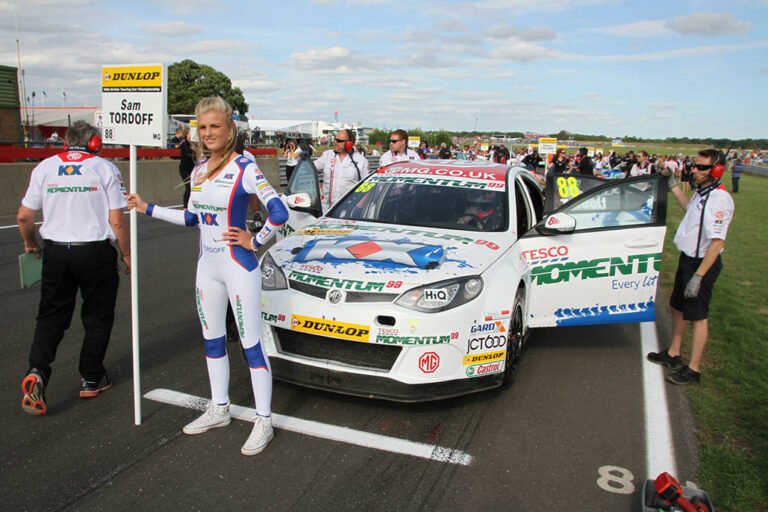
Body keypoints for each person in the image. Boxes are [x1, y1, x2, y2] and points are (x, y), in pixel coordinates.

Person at [127, 97, 289, 455]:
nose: (209, 133)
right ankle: (219, 407)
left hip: (238, 267)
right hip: (207, 268)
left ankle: (264, 419)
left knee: (250, 345)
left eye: (215, 126)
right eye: (203, 127)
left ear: (230, 129)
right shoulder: (199, 169)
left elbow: (279, 211)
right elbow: (191, 219)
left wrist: (256, 239)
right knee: (212, 340)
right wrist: (146, 208)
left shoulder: (245, 167)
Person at [17, 120, 131, 415]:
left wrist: (31, 245)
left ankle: (38, 371)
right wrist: (126, 253)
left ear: (67, 141)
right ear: (95, 143)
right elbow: (117, 219)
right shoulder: (105, 168)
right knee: (97, 316)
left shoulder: (44, 168)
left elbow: (24, 217)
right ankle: (91, 377)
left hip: (55, 252)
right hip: (94, 253)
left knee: (51, 316)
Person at [647, 149, 734, 385]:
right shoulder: (703, 193)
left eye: (701, 167)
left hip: (702, 263)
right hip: (688, 259)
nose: (694, 170)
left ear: (716, 171)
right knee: (678, 307)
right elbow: (690, 209)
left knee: (698, 317)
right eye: (695, 165)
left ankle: (694, 369)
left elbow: (717, 243)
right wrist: (673, 185)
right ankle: (674, 353)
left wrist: (698, 276)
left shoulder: (719, 199)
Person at [314, 129, 369, 212]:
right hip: (326, 209)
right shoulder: (327, 155)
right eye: (335, 139)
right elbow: (311, 168)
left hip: (348, 209)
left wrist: (359, 207)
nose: (335, 142)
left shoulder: (361, 160)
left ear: (349, 143)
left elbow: (368, 185)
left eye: (339, 141)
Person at [178, 126, 196, 208]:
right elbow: (188, 154)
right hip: (185, 169)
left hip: (193, 169)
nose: (191, 136)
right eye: (190, 134)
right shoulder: (184, 144)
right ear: (186, 135)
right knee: (189, 186)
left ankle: (193, 205)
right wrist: (195, 152)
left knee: (194, 187)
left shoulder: (195, 144)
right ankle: (185, 207)